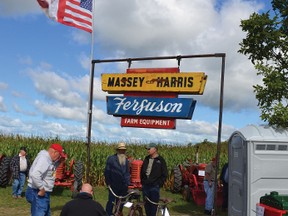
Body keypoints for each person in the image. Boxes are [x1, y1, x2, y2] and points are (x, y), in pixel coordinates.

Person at [25, 143, 65, 216]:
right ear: (55, 152)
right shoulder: (44, 159)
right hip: (38, 192)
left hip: (41, 192)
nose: (59, 157)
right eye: (59, 155)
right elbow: (35, 174)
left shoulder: (48, 159)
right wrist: (41, 189)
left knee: (46, 213)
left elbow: (50, 170)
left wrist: (59, 161)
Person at [140, 143, 168, 216]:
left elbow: (165, 174)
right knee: (146, 205)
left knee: (153, 206)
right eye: (147, 149)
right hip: (145, 186)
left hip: (154, 187)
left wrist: (158, 184)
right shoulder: (146, 159)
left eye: (149, 149)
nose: (148, 150)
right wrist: (143, 182)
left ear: (155, 149)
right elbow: (142, 171)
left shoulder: (160, 160)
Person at [104, 142, 130, 216]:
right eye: (121, 150)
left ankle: (118, 213)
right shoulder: (111, 159)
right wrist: (108, 183)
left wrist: (127, 184)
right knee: (111, 201)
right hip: (113, 185)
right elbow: (107, 172)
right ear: (118, 150)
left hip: (123, 186)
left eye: (124, 150)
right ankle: (108, 214)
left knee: (121, 202)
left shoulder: (126, 160)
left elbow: (127, 172)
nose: (122, 151)